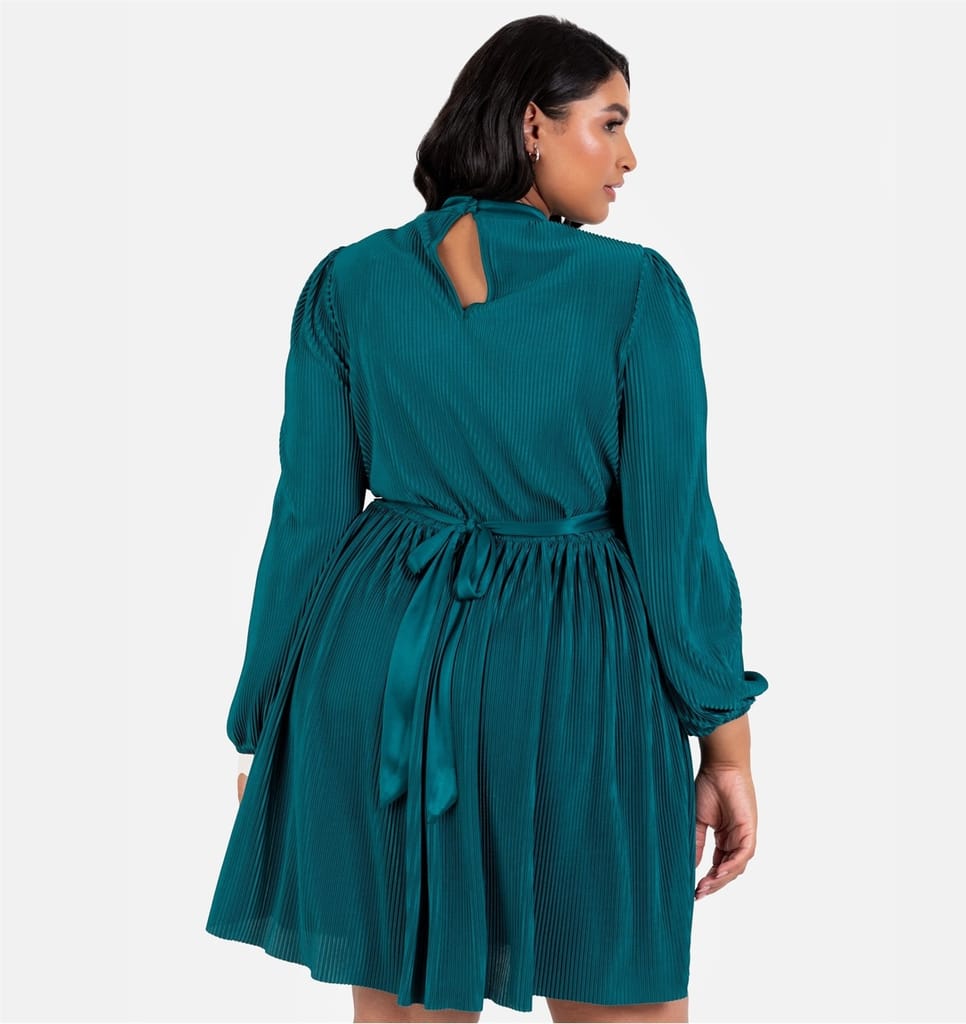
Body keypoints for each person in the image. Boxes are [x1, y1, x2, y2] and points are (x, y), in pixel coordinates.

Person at [205, 14, 768, 1024]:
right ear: (531, 126)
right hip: (575, 682)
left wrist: (265, 726)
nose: (630, 157)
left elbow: (306, 525)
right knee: (620, 987)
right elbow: (675, 538)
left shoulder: (347, 282)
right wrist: (724, 744)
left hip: (382, 669)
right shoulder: (633, 292)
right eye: (610, 122)